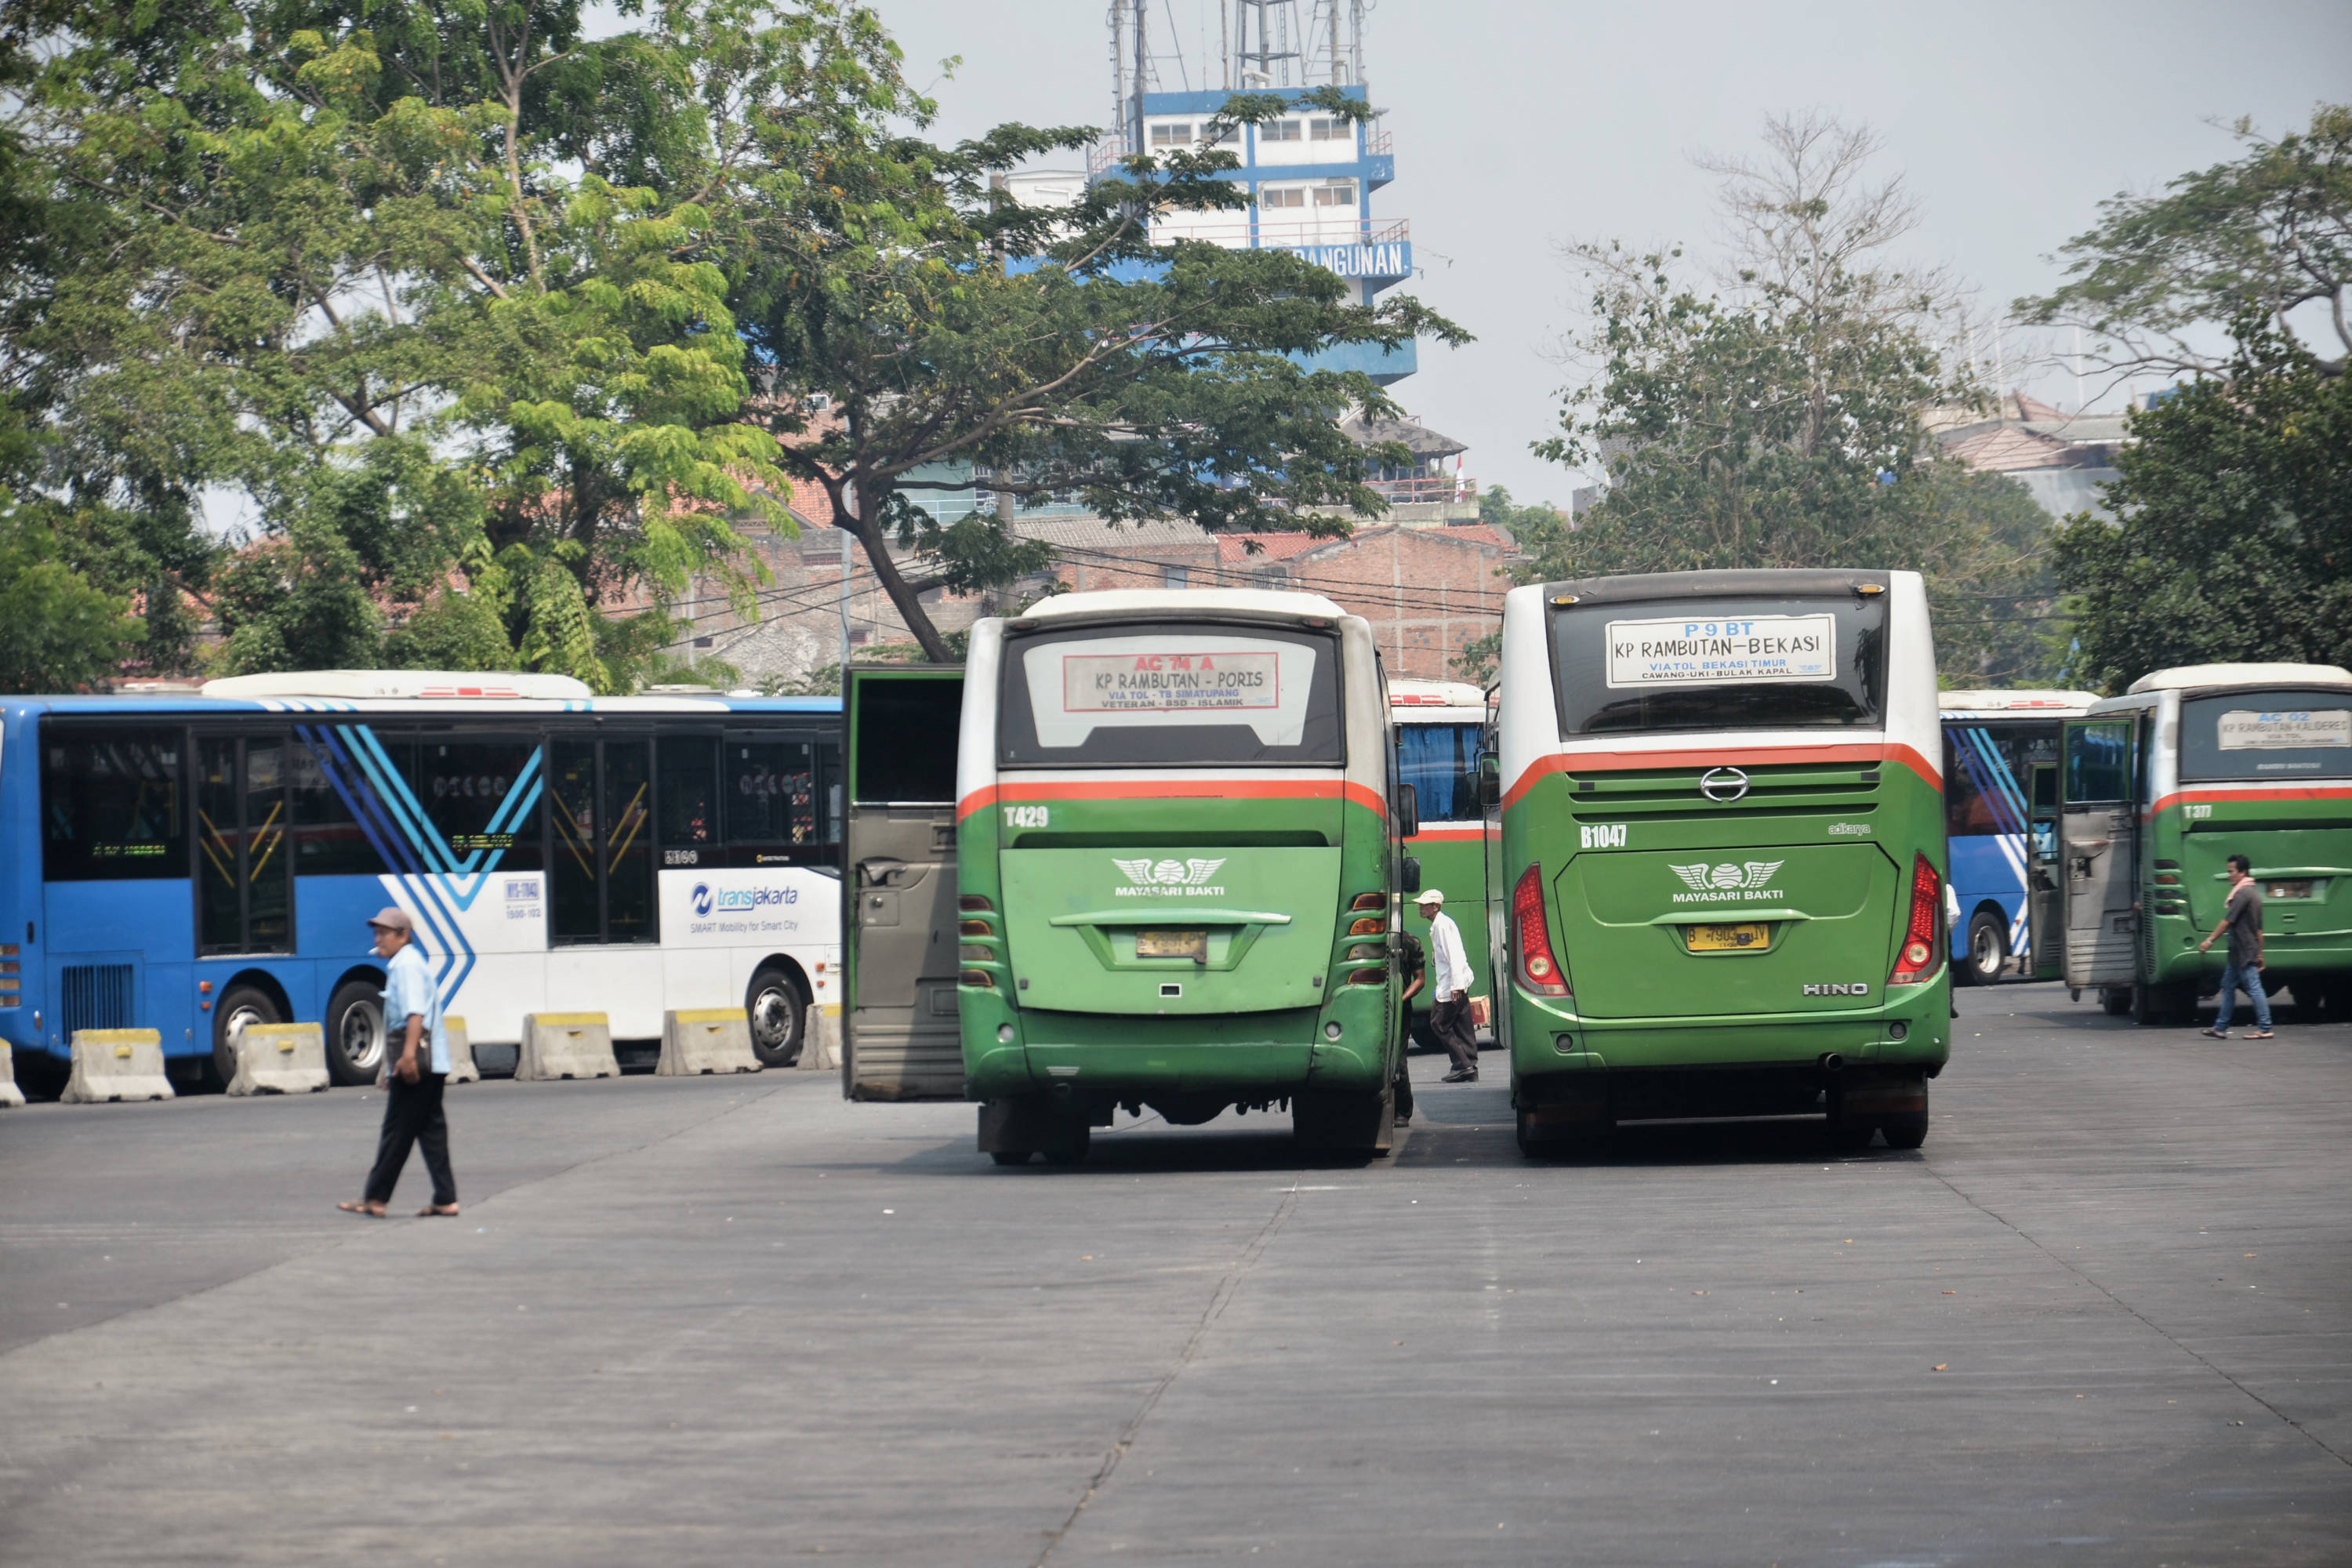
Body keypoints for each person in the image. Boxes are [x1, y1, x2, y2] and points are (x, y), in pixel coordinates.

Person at [339, 908, 460, 1218]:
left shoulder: (405, 966)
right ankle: (446, 1198)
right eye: (376, 932)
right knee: (431, 1130)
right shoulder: (409, 963)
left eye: (384, 933)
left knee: (397, 1130)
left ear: (403, 936)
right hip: (432, 1060)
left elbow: (414, 1014)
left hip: (417, 1061)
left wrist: (406, 1059)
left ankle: (376, 1198)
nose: (378, 939)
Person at [2198, 854, 2273, 1040]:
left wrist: (2209, 941)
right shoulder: (2254, 894)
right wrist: (2260, 953)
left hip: (2243, 950)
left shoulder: (2243, 894)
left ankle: (2265, 1028)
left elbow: (2227, 922)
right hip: (2240, 951)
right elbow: (2259, 931)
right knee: (2228, 985)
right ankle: (2221, 1027)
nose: (2229, 875)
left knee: (2254, 988)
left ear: (2242, 872)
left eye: (2231, 871)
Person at [1417, 887, 1479, 1083]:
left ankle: (1463, 1065)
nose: (1421, 908)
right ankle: (1469, 1065)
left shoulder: (1442, 926)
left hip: (1451, 984)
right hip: (1455, 982)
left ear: (1435, 907)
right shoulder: (1440, 924)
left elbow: (1456, 956)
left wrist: (1456, 986)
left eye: (1424, 905)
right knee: (1462, 1025)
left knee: (1439, 1024)